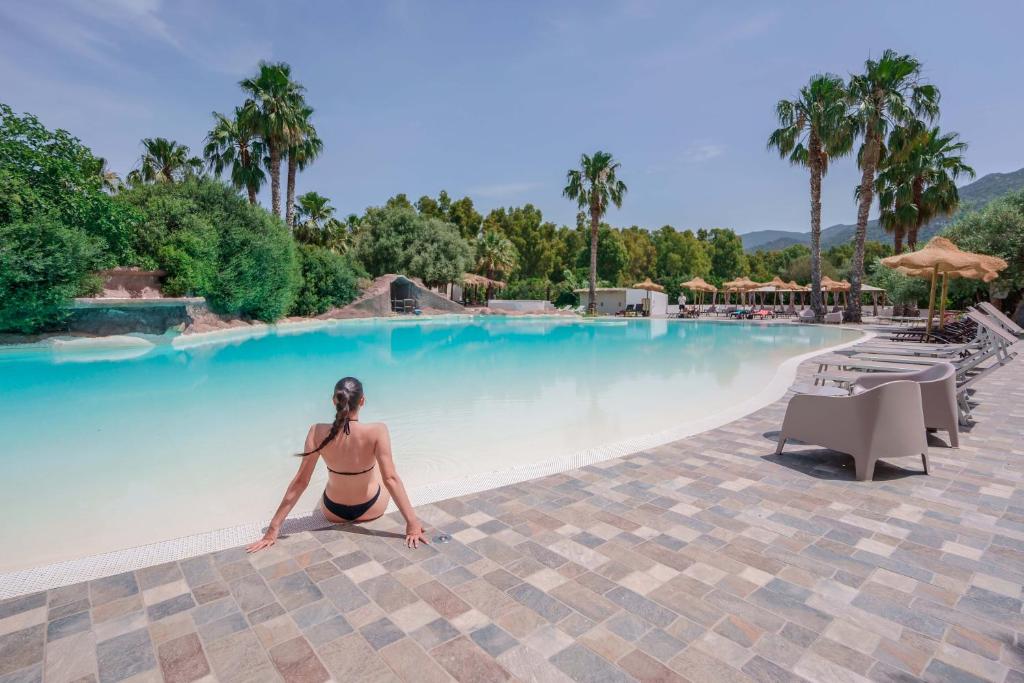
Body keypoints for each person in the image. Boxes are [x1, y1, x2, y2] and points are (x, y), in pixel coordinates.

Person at [247, 377, 429, 552]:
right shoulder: (377, 431)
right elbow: (391, 479)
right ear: (363, 401)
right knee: (384, 473)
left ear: (334, 400)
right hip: (371, 508)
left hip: (333, 512)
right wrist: (412, 524)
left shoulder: (316, 431)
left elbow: (301, 482)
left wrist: (273, 529)